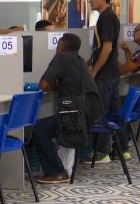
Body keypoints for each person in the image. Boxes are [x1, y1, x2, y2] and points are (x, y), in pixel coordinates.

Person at [33, 33, 99, 184]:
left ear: (61, 45)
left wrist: (53, 86)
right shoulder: (79, 60)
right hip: (86, 113)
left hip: (74, 114)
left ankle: (56, 172)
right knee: (48, 126)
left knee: (39, 130)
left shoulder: (61, 57)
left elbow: (43, 86)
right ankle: (59, 168)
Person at [86, 0, 122, 163]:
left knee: (101, 111)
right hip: (112, 72)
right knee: (114, 111)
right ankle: (122, 149)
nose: (90, 0)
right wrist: (88, 62)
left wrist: (94, 71)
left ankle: (102, 152)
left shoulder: (106, 18)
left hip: (106, 74)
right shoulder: (109, 16)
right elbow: (102, 47)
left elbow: (107, 47)